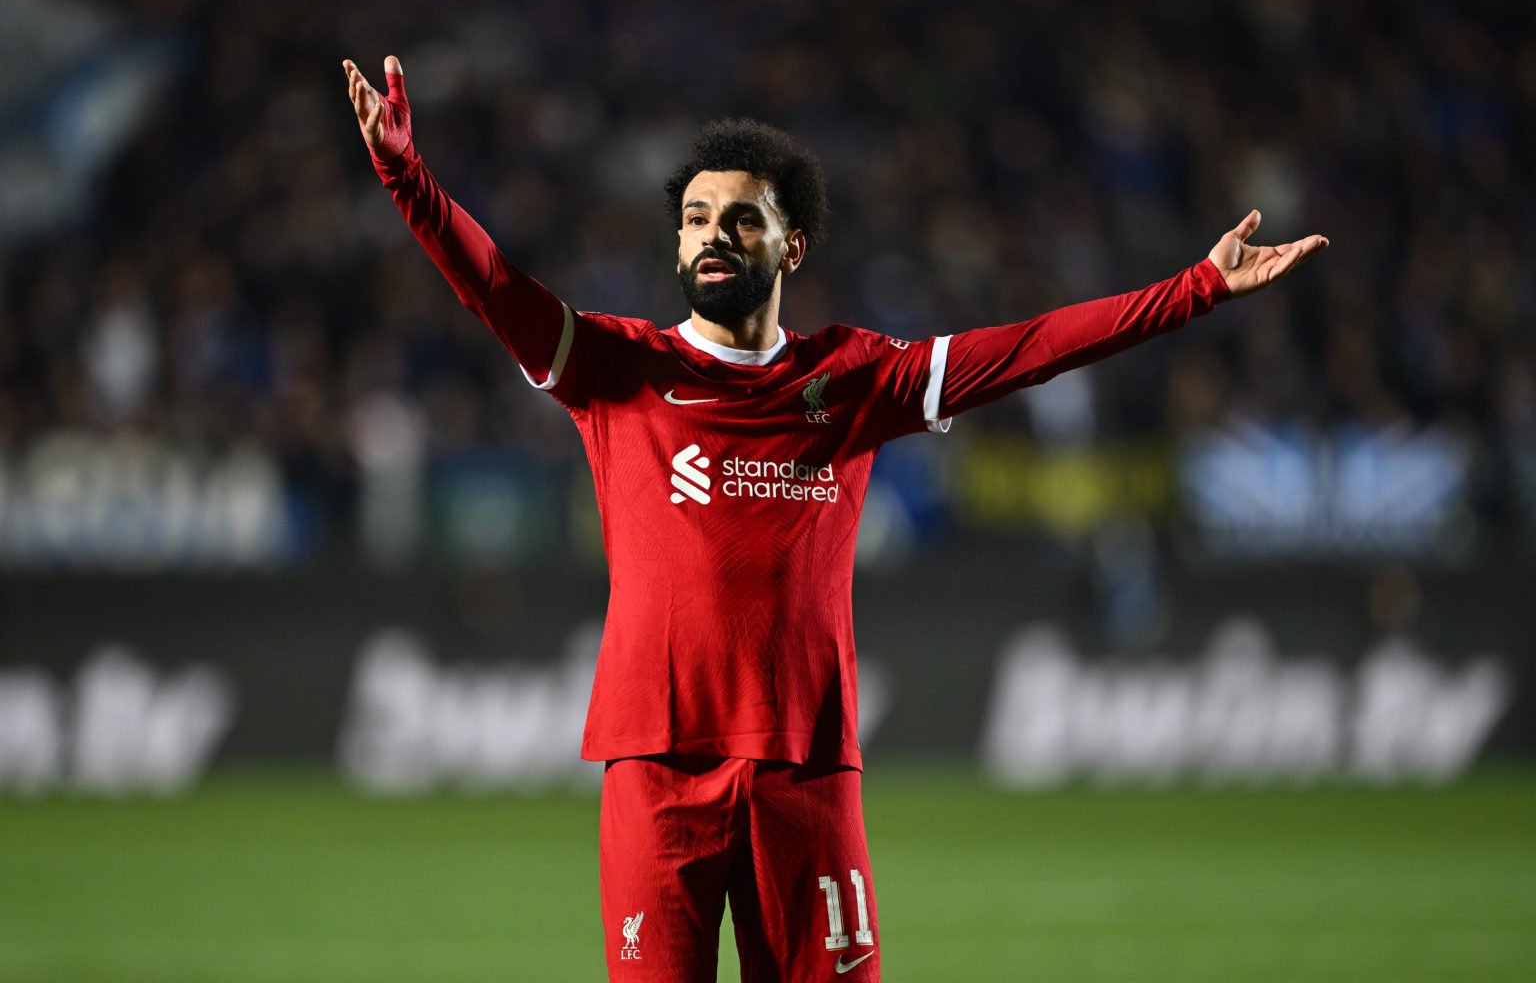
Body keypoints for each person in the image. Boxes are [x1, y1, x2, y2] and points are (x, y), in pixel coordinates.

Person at [341, 54, 1327, 982]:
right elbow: (493, 287)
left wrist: (1196, 288)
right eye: (692, 218)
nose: (710, 235)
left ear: (792, 245)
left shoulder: (852, 378)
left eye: (739, 218)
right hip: (659, 765)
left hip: (803, 766)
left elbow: (1029, 347)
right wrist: (404, 173)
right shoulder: (619, 369)